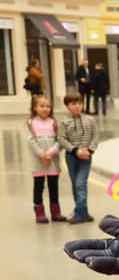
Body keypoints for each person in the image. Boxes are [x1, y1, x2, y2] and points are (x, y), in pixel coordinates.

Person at [57, 92, 99, 225]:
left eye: (79, 103)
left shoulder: (90, 120)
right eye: (73, 104)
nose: (77, 106)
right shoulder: (64, 122)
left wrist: (89, 150)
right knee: (75, 184)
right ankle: (83, 211)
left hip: (86, 157)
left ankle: (80, 213)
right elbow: (61, 139)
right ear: (67, 106)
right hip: (71, 156)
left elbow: (95, 136)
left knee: (80, 183)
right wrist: (75, 150)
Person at [25, 95, 66, 223]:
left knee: (54, 187)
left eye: (48, 106)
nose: (45, 109)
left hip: (52, 160)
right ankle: (40, 212)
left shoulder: (54, 123)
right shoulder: (31, 123)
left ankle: (56, 212)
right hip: (38, 161)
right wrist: (41, 153)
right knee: (38, 186)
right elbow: (31, 141)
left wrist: (52, 152)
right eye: (42, 106)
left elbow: (60, 140)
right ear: (34, 107)